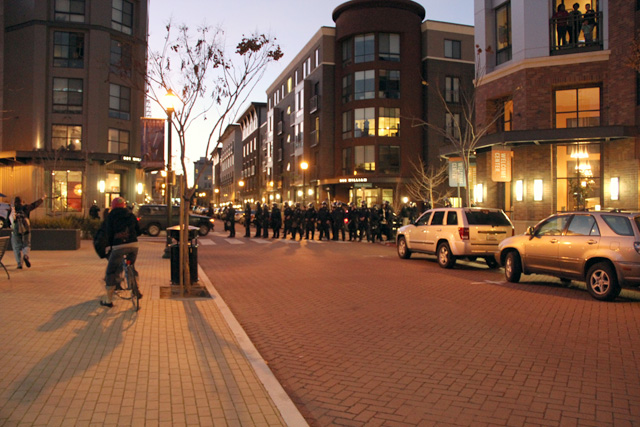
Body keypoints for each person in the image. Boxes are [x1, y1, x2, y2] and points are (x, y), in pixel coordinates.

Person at [101, 197, 141, 308]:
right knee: (131, 265)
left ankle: (108, 300)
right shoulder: (131, 215)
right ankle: (136, 288)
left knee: (111, 271)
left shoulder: (110, 216)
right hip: (133, 245)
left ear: (113, 206)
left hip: (118, 246)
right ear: (124, 205)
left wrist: (109, 245)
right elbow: (139, 231)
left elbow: (108, 233)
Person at [10, 194, 46, 269]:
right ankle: (26, 255)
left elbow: (7, 222)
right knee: (26, 243)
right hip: (26, 227)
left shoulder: (12, 210)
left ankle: (19, 264)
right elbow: (34, 205)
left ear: (14, 202)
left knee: (16, 246)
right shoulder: (25, 207)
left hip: (16, 229)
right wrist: (42, 198)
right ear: (21, 201)